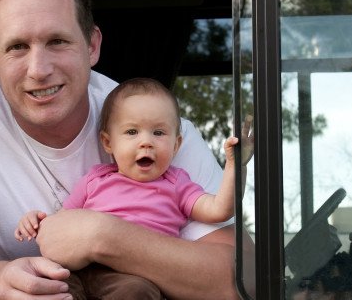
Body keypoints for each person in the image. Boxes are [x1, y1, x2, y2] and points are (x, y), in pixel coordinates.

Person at [0, 0, 255, 299]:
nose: (39, 70)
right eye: (17, 47)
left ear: (93, 46)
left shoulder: (157, 131)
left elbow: (245, 279)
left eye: (57, 41)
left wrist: (103, 236)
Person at [14, 78, 254, 299]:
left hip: (130, 275)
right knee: (48, 287)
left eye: (158, 133)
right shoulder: (94, 179)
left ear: (176, 145)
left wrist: (235, 166)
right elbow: (63, 224)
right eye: (132, 132)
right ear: (108, 142)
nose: (146, 141)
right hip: (78, 269)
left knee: (138, 293)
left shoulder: (177, 184)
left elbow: (220, 209)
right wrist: (35, 220)